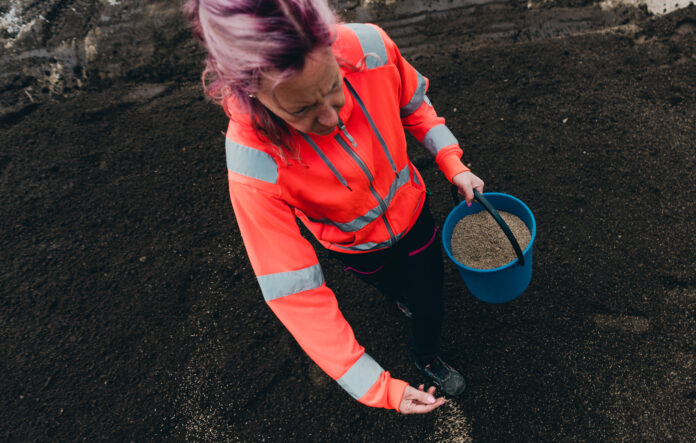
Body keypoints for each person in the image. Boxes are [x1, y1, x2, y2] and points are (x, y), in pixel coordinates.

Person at [183, 0, 484, 415]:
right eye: (301, 109)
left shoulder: (371, 47)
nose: (331, 118)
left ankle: (426, 353)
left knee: (430, 298)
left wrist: (452, 161)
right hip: (354, 249)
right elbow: (294, 291)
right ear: (250, 91)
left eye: (333, 87)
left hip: (414, 218)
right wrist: (377, 387)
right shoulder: (253, 160)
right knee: (391, 285)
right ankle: (399, 295)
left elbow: (413, 105)